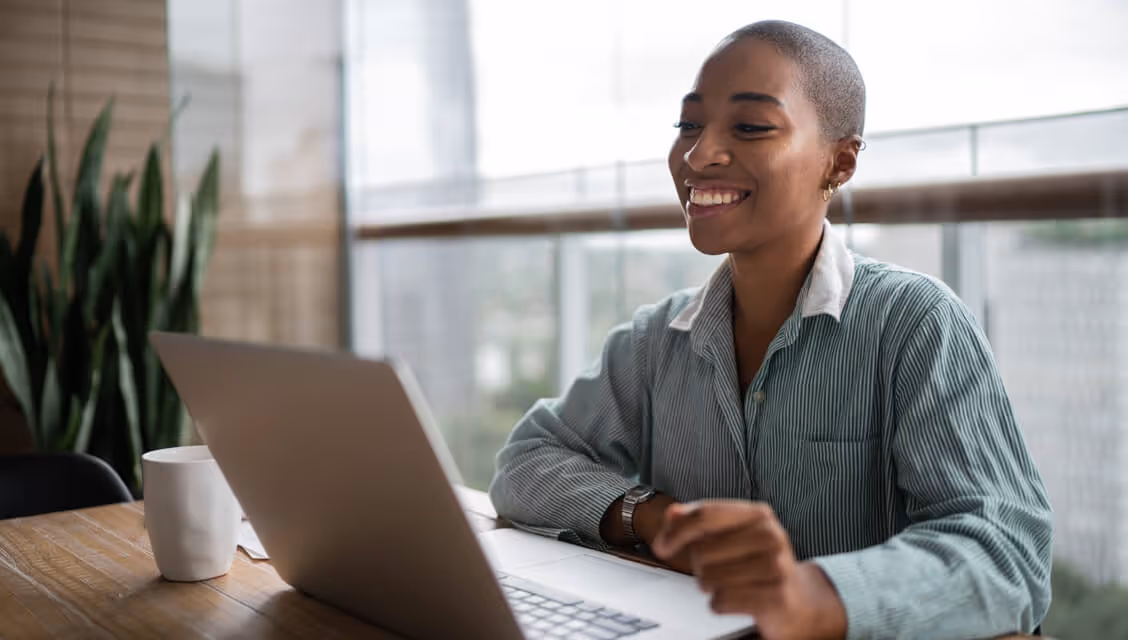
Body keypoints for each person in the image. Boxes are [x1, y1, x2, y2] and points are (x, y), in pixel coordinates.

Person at [488, 19, 1052, 640]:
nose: (699, 155)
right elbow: (525, 464)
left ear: (838, 162)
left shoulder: (914, 324)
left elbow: (1008, 552)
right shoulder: (656, 340)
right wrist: (650, 518)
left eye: (751, 127)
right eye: (689, 125)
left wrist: (814, 596)